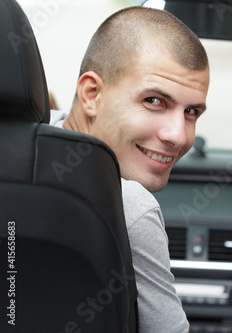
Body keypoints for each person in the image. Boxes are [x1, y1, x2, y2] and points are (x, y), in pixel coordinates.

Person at [50, 6, 210, 333]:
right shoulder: (128, 206)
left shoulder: (21, 152)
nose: (179, 136)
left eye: (192, 111)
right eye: (154, 101)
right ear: (91, 94)